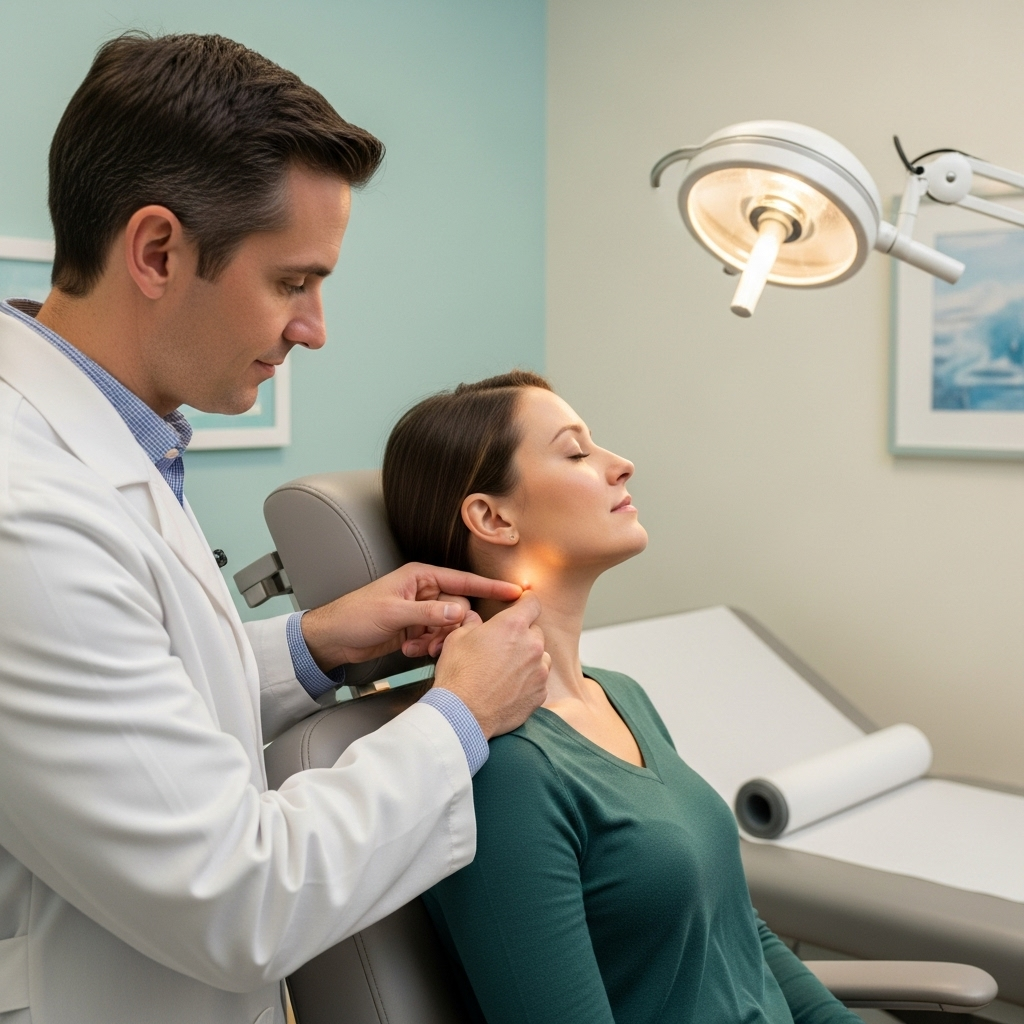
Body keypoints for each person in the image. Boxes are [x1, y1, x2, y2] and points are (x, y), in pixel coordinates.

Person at [0, 33, 550, 1024]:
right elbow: (235, 893)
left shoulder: (119, 445)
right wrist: (457, 716)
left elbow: (139, 694)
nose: (315, 327)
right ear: (159, 251)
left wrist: (312, 644)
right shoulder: (25, 516)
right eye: (294, 281)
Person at [381, 371, 861, 1024]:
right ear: (493, 517)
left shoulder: (623, 697)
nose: (621, 464)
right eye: (576, 452)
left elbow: (740, 932)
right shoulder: (504, 770)